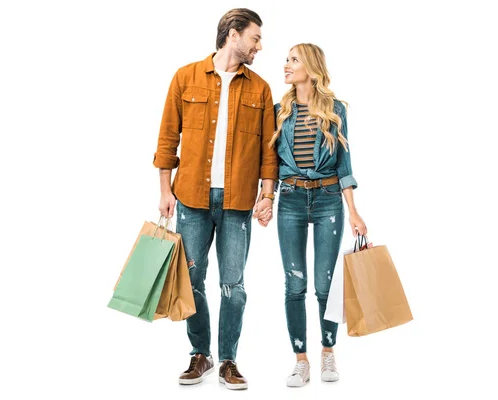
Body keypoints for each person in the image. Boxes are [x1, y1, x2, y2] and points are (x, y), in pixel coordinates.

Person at [152, 8, 278, 391]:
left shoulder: (260, 88)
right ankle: (200, 353)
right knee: (191, 279)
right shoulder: (185, 77)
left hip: (238, 201)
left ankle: (228, 360)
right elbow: (167, 138)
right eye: (255, 37)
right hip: (191, 198)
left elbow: (269, 153)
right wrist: (164, 189)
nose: (260, 45)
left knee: (233, 285)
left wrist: (267, 194)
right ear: (233, 34)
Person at [266, 43, 367, 387]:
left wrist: (353, 211)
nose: (286, 65)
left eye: (293, 60)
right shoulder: (279, 109)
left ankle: (327, 351)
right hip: (291, 199)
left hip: (328, 201)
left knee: (325, 285)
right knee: (295, 284)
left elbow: (344, 165)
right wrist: (266, 197)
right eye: (287, 60)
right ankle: (300, 360)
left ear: (310, 67)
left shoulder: (335, 109)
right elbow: (271, 163)